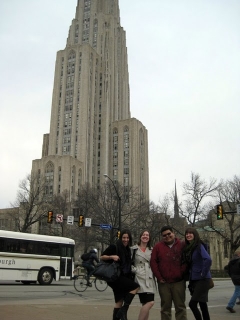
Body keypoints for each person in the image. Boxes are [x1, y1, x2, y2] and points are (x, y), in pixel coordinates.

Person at [100, 229, 139, 320]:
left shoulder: (128, 249)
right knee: (135, 287)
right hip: (116, 277)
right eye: (124, 237)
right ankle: (123, 311)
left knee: (119, 301)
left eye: (127, 238)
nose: (125, 240)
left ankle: (119, 315)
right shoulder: (114, 247)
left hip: (123, 276)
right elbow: (102, 256)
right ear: (120, 238)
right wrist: (111, 257)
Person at [150, 225, 187, 320]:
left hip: (178, 282)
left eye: (169, 234)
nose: (167, 236)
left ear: (173, 233)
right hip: (164, 283)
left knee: (180, 307)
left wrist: (181, 273)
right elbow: (153, 263)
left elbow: (186, 260)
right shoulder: (157, 247)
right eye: (164, 235)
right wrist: (159, 277)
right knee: (165, 308)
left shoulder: (182, 245)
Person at [182, 227, 212, 320]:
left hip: (202, 279)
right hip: (194, 279)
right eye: (187, 233)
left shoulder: (199, 246)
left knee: (192, 304)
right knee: (202, 304)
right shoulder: (190, 248)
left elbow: (208, 259)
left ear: (195, 235)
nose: (188, 235)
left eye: (191, 233)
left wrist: (203, 273)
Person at [131, 230, 155, 320]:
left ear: (149, 238)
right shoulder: (133, 249)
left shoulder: (152, 249)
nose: (145, 236)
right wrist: (135, 270)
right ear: (140, 237)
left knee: (147, 303)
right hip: (139, 276)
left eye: (147, 235)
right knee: (150, 302)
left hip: (149, 276)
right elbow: (128, 262)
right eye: (143, 235)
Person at [225, 248, 240, 313]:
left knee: (238, 290)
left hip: (234, 278)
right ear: (239, 254)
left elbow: (227, 269)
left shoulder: (231, 261)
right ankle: (230, 305)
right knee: (237, 291)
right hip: (239, 278)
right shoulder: (239, 261)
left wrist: (231, 275)